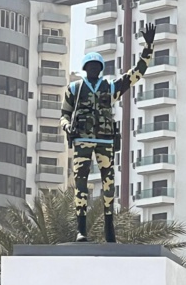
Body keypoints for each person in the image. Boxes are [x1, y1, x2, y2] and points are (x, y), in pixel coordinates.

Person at [60, 23, 156, 242]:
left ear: (100, 68)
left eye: (97, 66)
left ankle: (109, 228)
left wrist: (148, 47)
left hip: (105, 141)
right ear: (85, 68)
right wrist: (67, 126)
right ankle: (81, 229)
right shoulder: (75, 89)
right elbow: (64, 114)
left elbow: (136, 74)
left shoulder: (110, 87)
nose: (93, 69)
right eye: (90, 66)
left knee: (108, 184)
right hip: (83, 140)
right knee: (81, 184)